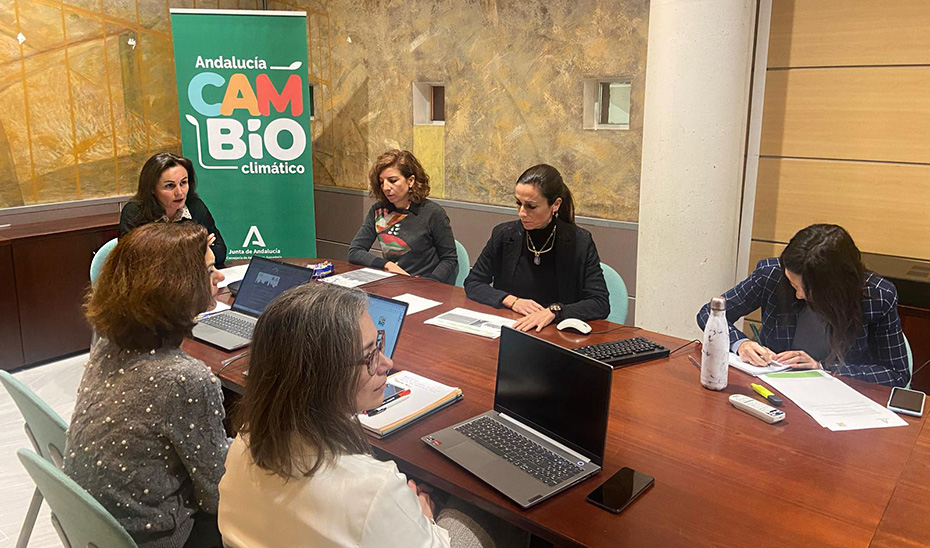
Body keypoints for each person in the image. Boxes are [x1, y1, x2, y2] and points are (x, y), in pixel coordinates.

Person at [218, 283, 528, 548]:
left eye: (379, 344)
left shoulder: (241, 445)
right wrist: (421, 520)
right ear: (324, 376)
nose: (387, 363)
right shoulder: (372, 489)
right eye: (370, 356)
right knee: (492, 504)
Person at [63, 222, 229, 548]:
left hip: (97, 529)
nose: (220, 277)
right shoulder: (186, 380)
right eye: (211, 270)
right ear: (178, 286)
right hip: (156, 538)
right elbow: (217, 497)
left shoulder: (108, 342)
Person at [696, 224, 909, 387]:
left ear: (836, 285)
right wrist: (740, 344)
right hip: (775, 391)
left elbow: (896, 374)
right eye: (792, 284)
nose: (798, 295)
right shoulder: (771, 275)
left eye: (807, 290)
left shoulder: (877, 296)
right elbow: (708, 313)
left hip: (839, 401)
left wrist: (823, 369)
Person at [464, 164, 609, 331]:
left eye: (531, 206)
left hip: (556, 332)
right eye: (518, 203)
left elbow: (600, 303)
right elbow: (473, 283)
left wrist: (555, 311)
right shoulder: (504, 235)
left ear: (555, 204)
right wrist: (512, 301)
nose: (521, 213)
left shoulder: (579, 241)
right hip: (511, 327)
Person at [348, 150, 458, 284]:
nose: (386, 187)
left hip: (423, 286)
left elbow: (449, 259)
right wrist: (387, 265)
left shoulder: (432, 213)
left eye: (392, 181)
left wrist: (429, 283)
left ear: (411, 181)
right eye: (382, 182)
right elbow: (355, 251)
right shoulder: (378, 211)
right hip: (391, 283)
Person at [120, 152, 227, 267]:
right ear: (152, 188)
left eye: (183, 183)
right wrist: (195, 250)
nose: (180, 192)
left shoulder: (194, 206)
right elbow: (133, 263)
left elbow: (220, 252)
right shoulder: (135, 212)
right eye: (169, 186)